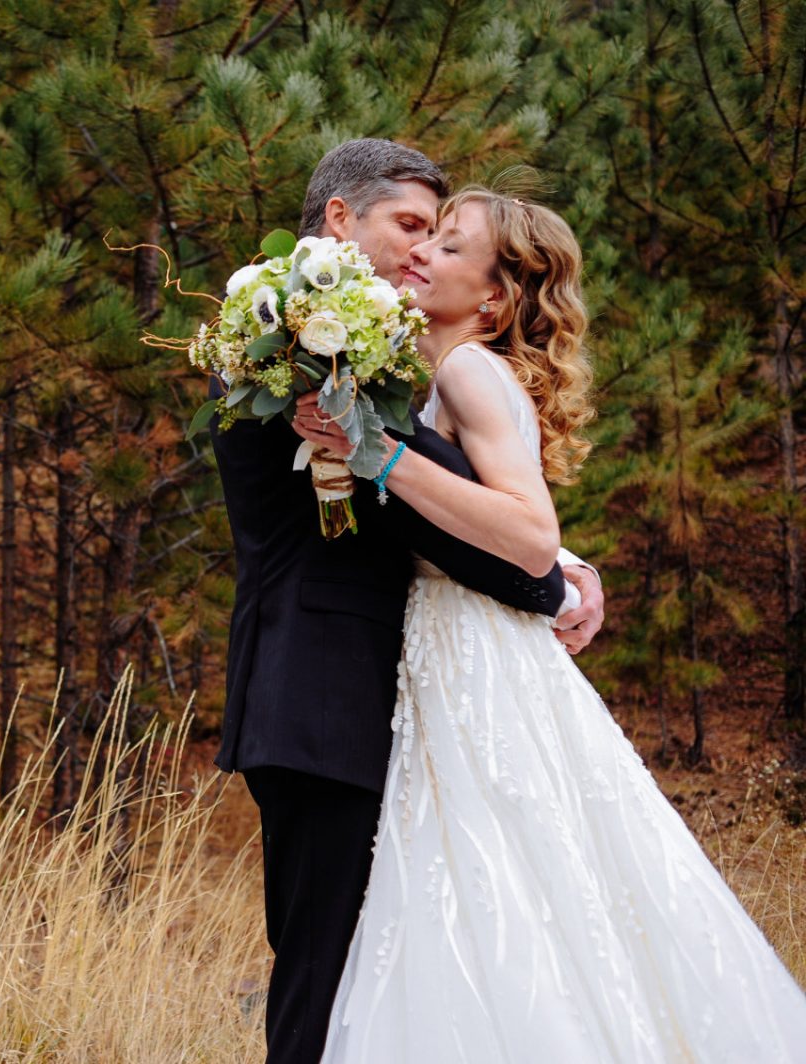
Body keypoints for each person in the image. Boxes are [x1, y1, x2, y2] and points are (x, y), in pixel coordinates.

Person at [289, 188, 806, 1061]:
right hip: (454, 648)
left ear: (493, 297)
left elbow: (531, 537)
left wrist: (375, 454)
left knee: (492, 874)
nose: (424, 255)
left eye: (450, 248)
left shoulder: (467, 369)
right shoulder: (448, 368)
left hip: (474, 657)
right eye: (428, 238)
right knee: (508, 882)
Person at [208, 138, 606, 1064]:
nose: (421, 250)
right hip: (321, 699)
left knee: (393, 975)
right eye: (409, 226)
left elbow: (430, 491)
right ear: (341, 221)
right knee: (327, 972)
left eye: (439, 234)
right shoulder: (294, 339)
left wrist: (558, 559)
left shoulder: (378, 352)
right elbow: (413, 514)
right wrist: (549, 581)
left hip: (384, 704)